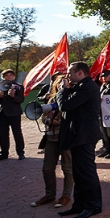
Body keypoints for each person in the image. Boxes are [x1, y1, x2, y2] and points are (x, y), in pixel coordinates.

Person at [56, 62, 103, 218]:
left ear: (80, 73)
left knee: (86, 172)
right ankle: (80, 204)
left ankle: (93, 205)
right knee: (78, 172)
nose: (68, 76)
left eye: (70, 73)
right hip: (77, 135)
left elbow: (65, 105)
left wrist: (63, 90)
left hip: (85, 136)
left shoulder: (87, 87)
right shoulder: (80, 86)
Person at [30, 74, 73, 209]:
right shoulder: (51, 100)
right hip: (51, 137)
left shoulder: (72, 98)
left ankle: (66, 196)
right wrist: (47, 120)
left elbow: (74, 119)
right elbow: (42, 116)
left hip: (66, 138)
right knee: (47, 168)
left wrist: (58, 123)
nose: (62, 84)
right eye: (59, 82)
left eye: (65, 83)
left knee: (67, 168)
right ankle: (50, 195)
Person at [0, 68, 25, 161]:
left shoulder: (18, 86)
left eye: (11, 75)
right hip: (3, 113)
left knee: (17, 133)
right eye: (7, 75)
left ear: (13, 76)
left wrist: (13, 96)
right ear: (3, 77)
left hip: (14, 113)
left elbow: (21, 100)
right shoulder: (1, 86)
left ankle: (20, 152)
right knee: (2, 134)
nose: (9, 77)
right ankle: (4, 153)